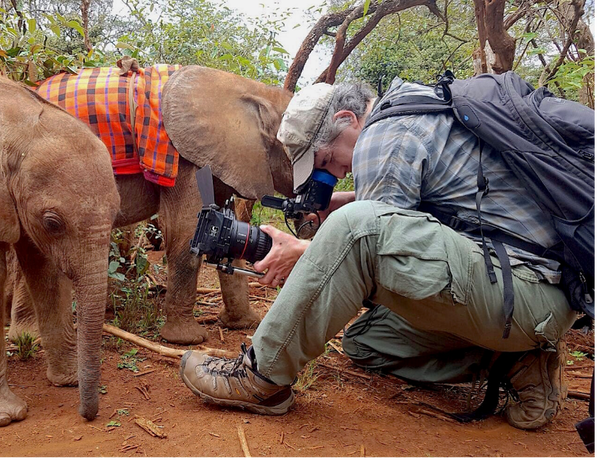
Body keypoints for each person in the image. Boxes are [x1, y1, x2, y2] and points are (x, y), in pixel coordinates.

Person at [179, 77, 577, 430]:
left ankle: (261, 378)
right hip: (529, 297)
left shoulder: (385, 132)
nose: (330, 173)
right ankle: (515, 361)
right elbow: (420, 228)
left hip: (523, 290)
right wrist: (343, 204)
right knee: (367, 342)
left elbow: (369, 242)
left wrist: (303, 250)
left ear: (348, 119)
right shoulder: (417, 112)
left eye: (322, 161)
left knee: (355, 226)